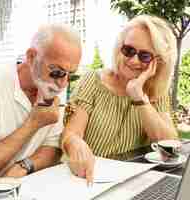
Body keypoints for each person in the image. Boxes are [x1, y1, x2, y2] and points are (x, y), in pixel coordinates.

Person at [61, 15, 178, 183]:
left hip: (130, 181)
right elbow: (71, 133)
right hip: (88, 178)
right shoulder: (93, 81)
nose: (133, 60)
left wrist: (139, 98)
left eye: (144, 56)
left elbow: (169, 144)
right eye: (129, 50)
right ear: (119, 48)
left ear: (158, 62)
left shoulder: (155, 91)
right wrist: (73, 143)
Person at [0, 24, 81, 178]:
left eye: (70, 75)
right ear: (32, 57)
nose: (63, 84)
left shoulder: (49, 85)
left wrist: (25, 166)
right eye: (57, 72)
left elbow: (52, 147)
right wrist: (34, 122)